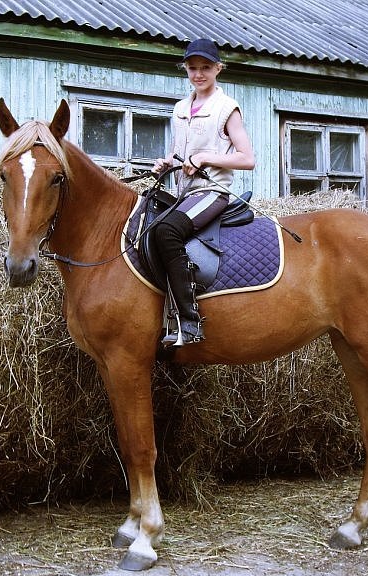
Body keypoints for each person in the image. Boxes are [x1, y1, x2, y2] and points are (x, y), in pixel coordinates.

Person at [152, 38, 255, 347]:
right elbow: (179, 153)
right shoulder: (180, 109)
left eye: (205, 68)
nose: (198, 74)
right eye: (192, 68)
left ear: (218, 69)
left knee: (166, 231)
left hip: (212, 192)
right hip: (184, 195)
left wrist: (206, 158)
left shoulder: (226, 108)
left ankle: (189, 321)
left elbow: (247, 158)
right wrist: (166, 163)